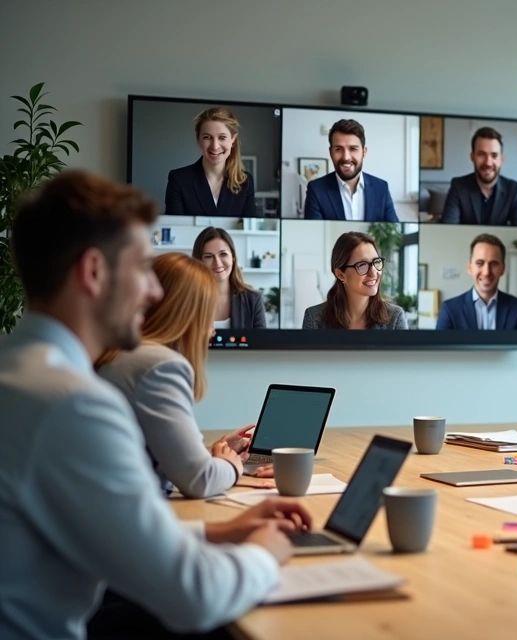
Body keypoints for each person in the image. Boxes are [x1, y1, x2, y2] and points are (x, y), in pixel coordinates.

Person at [0, 170, 312, 640]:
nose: (153, 293)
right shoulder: (73, 406)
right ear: (93, 272)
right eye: (143, 268)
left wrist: (218, 533)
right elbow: (195, 595)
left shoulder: (20, 376)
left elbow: (103, 533)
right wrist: (266, 551)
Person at [95, 252, 273, 500]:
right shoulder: (158, 366)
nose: (211, 332)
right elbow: (200, 481)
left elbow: (167, 459)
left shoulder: (121, 354)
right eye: (208, 316)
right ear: (187, 315)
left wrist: (213, 457)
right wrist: (234, 466)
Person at [302, 231, 407, 330]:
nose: (374, 272)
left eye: (376, 262)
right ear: (340, 275)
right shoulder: (314, 319)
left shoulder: (395, 319)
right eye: (362, 265)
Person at [164, 107, 257, 217]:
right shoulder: (179, 179)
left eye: (222, 137)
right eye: (207, 137)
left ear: (233, 139)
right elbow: (175, 228)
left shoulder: (245, 182)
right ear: (198, 140)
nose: (215, 146)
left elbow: (249, 231)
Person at [302, 119, 399, 222]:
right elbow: (313, 234)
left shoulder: (381, 188)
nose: (346, 157)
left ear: (364, 152)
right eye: (338, 149)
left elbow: (394, 233)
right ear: (330, 152)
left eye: (353, 149)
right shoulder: (316, 190)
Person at [435, 233, 517, 330]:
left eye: (494, 264)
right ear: (470, 268)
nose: (486, 272)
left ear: (503, 269)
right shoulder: (449, 310)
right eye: (479, 263)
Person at [439, 127, 517, 226]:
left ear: (502, 159)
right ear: (472, 157)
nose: (488, 163)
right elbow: (448, 229)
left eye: (494, 155)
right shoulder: (458, 186)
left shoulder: (514, 190)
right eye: (481, 154)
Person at [192, 227, 268, 329]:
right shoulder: (187, 300)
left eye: (223, 254)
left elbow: (260, 344)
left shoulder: (253, 299)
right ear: (198, 261)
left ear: (233, 257)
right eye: (208, 256)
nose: (217, 263)